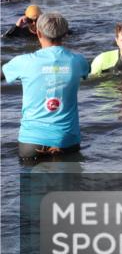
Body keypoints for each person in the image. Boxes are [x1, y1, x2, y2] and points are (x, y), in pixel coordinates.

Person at [1, 12, 89, 160]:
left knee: (32, 183)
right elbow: (87, 72)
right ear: (65, 34)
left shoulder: (23, 62)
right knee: (71, 182)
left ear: (38, 33)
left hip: (32, 141)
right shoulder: (78, 61)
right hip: (67, 140)